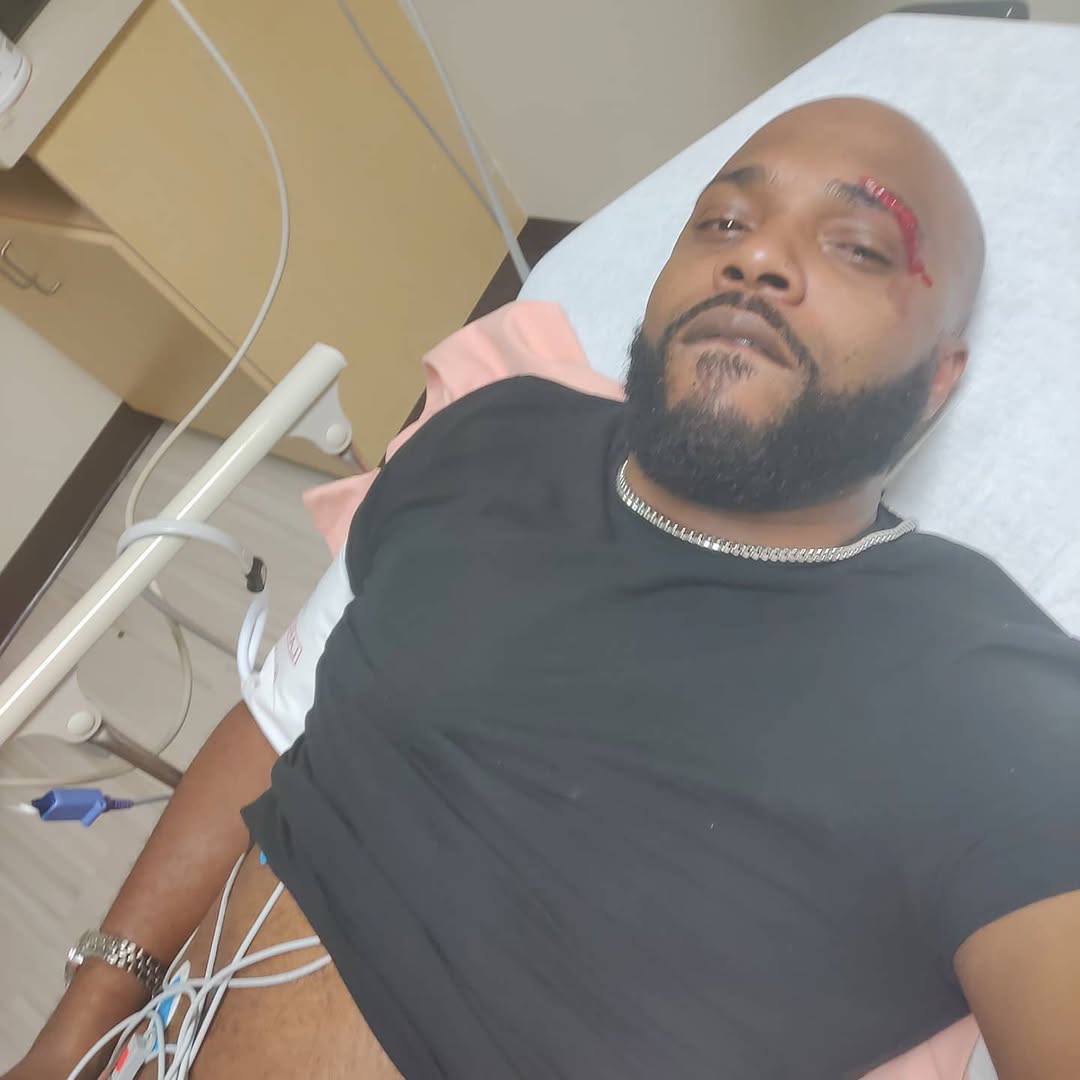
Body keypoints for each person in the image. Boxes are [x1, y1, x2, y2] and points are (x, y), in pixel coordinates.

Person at [8, 95, 1080, 1080]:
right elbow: (281, 719)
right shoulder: (495, 435)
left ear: (941, 378)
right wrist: (76, 1030)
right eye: (721, 222)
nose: (757, 255)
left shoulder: (978, 691)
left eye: (857, 245)